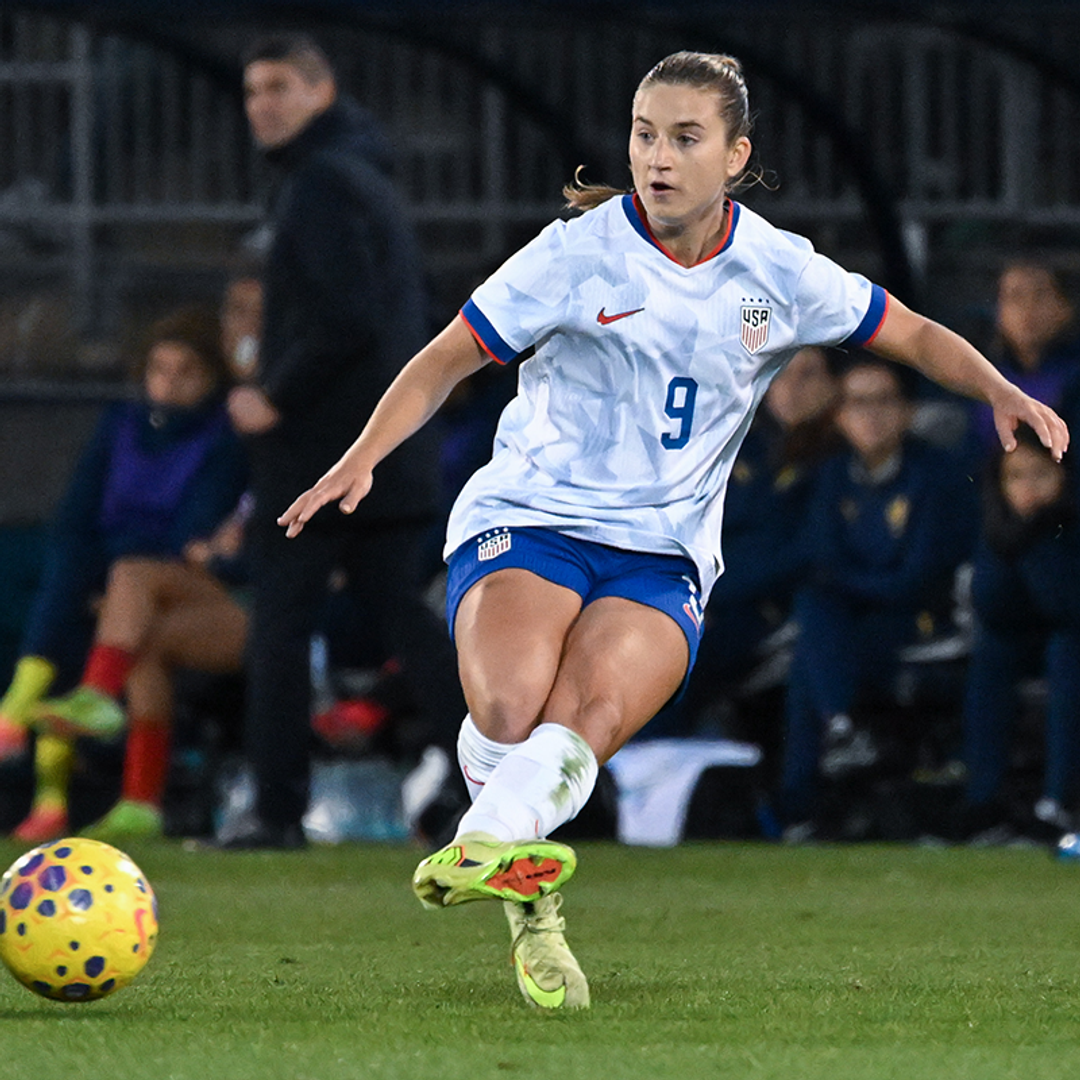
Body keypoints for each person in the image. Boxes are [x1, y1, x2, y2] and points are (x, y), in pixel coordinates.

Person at [278, 51, 1068, 1010]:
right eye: (645, 134)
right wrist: (362, 456)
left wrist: (997, 389)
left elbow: (908, 333)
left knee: (592, 718)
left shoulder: (774, 271)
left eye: (685, 138)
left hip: (663, 549)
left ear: (735, 155)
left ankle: (497, 851)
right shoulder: (576, 253)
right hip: (534, 515)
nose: (656, 157)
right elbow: (446, 358)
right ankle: (514, 863)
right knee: (509, 710)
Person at [226, 35, 466, 849]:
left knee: (282, 625)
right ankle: (505, 788)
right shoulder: (365, 178)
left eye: (279, 86)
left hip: (322, 456)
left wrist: (272, 396)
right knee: (406, 617)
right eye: (253, 90)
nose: (262, 103)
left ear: (321, 91)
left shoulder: (321, 184)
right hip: (389, 448)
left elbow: (346, 318)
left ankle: (276, 809)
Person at [0, 308, 248, 842]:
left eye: (186, 370)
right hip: (136, 594)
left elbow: (194, 532)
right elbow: (76, 516)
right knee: (118, 617)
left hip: (219, 592)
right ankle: (138, 802)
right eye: (160, 368)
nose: (169, 382)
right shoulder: (120, 425)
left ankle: (77, 698)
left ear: (210, 377)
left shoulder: (227, 434)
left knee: (131, 578)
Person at [776, 356, 978, 836]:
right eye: (856, 403)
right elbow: (821, 559)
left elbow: (918, 577)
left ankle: (801, 803)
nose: (870, 414)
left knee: (812, 646)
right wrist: (852, 583)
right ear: (839, 416)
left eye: (883, 401)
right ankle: (841, 736)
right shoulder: (831, 477)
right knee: (813, 617)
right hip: (852, 621)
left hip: (919, 620)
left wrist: (850, 583)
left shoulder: (936, 476)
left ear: (908, 412)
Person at [677, 345, 842, 755]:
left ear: (833, 384)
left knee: (679, 657)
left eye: (807, 375)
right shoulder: (739, 444)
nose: (791, 388)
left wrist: (710, 594)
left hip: (772, 610)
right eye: (780, 373)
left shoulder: (836, 458)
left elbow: (804, 552)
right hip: (711, 597)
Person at [957, 426, 1080, 841]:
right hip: (1020, 637)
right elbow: (990, 605)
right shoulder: (998, 528)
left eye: (1040, 474)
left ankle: (1058, 799)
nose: (1028, 488)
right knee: (991, 653)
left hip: (1069, 637)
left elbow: (1067, 607)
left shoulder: (1065, 526)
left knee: (1068, 652)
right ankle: (984, 801)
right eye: (1016, 476)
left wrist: (1038, 534)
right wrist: (1023, 535)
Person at [969, 258, 1080, 449]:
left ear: (1066, 308)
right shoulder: (976, 375)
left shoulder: (1075, 377)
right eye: (1015, 296)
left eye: (1040, 295)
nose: (1028, 308)